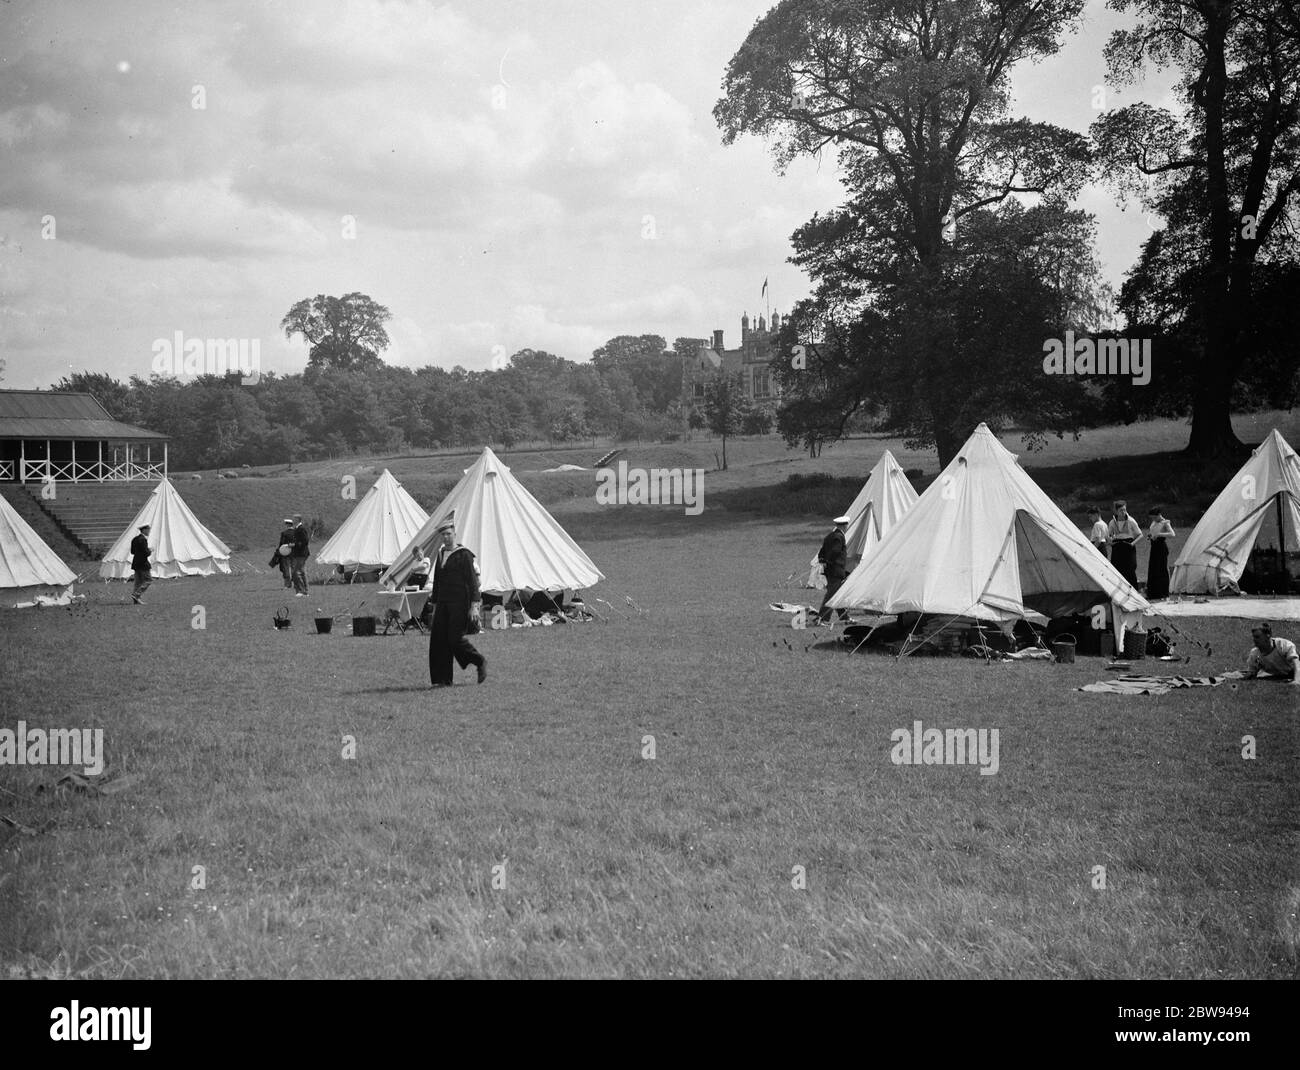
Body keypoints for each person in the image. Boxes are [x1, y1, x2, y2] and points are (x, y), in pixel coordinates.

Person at [428, 515, 486, 687]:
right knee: (439, 640)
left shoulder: (464, 555)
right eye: (443, 535)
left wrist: (474, 606)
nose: (446, 537)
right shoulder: (440, 554)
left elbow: (472, 582)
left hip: (460, 604)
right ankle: (443, 679)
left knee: (454, 639)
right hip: (443, 603)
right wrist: (435, 604)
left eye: (448, 534)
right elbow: (437, 581)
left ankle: (479, 660)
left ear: (454, 534)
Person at [817, 514, 851, 623]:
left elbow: (822, 552)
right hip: (835, 571)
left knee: (837, 595)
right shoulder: (839, 537)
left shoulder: (830, 536)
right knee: (832, 596)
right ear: (844, 526)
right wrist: (829, 561)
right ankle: (822, 618)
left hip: (830, 570)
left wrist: (823, 560)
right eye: (847, 526)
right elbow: (835, 552)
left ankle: (845, 617)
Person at [1107, 500, 1143, 588]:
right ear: (1116, 511)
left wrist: (1132, 544)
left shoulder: (1131, 521)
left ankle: (1134, 591)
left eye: (1124, 510)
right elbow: (1108, 535)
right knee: (1117, 569)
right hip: (1117, 547)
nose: (1123, 512)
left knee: (1130, 569)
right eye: (1121, 510)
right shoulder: (1112, 522)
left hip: (1128, 545)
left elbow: (1140, 535)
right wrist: (1111, 542)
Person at [1146, 508, 1176, 600]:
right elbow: (1153, 531)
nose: (1153, 519)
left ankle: (1163, 593)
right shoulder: (1154, 522)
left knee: (1161, 569)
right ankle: (1153, 593)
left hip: (1161, 547)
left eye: (1154, 517)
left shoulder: (1165, 522)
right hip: (1154, 547)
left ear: (1159, 515)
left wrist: (1159, 534)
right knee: (1153, 569)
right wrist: (1150, 535)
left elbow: (1172, 534)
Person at [270, 517, 296, 590]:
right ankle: (296, 584)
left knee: (286, 569)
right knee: (294, 568)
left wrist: (278, 552)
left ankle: (287, 585)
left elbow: (281, 544)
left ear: (287, 525)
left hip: (286, 553)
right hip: (294, 553)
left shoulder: (284, 533)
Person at [289, 513, 310, 597]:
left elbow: (305, 541)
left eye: (294, 519)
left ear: (298, 520)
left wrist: (295, 545)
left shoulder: (302, 529)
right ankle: (305, 591)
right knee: (302, 572)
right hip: (298, 553)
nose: (292, 520)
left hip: (302, 553)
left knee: (297, 572)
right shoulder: (296, 529)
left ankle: (302, 591)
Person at [130, 524, 152, 605]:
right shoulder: (143, 540)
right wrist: (150, 550)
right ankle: (136, 594)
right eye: (148, 529)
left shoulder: (135, 539)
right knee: (148, 580)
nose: (149, 531)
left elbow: (132, 552)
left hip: (136, 562)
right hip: (143, 563)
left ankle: (136, 600)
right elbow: (146, 553)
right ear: (144, 530)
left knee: (138, 582)